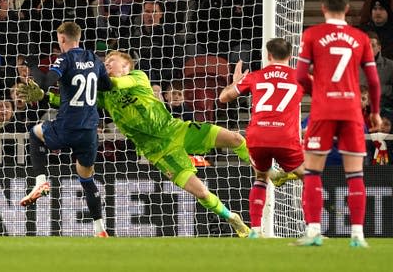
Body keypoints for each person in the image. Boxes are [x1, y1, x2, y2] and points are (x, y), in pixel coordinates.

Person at [89, 50, 250, 237]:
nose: (107, 64)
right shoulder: (105, 95)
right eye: (105, 62)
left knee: (236, 139)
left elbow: (117, 82)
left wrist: (93, 73)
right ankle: (233, 218)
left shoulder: (137, 77)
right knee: (202, 193)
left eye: (112, 61)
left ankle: (265, 172)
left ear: (126, 66)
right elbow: (83, 99)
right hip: (159, 152)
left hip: (176, 130)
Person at [295, 0, 382, 247]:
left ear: (322, 7)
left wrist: (319, 91)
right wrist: (375, 112)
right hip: (352, 110)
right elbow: (375, 82)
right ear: (347, 8)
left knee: (312, 172)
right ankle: (357, 234)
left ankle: (312, 231)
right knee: (355, 175)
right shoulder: (361, 38)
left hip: (323, 111)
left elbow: (300, 76)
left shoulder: (312, 35)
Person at [18, 21, 112, 238]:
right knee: (86, 178)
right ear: (78, 37)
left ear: (62, 39)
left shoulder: (65, 58)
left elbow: (43, 83)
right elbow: (106, 86)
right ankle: (100, 229)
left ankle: (41, 181)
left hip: (67, 125)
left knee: (35, 133)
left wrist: (32, 65)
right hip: (89, 130)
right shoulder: (93, 59)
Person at [219, 38, 305, 238]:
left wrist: (234, 82)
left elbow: (224, 98)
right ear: (290, 56)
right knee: (308, 178)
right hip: (285, 136)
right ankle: (312, 229)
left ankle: (256, 230)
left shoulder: (257, 76)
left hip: (258, 136)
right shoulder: (299, 77)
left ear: (268, 55)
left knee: (260, 177)